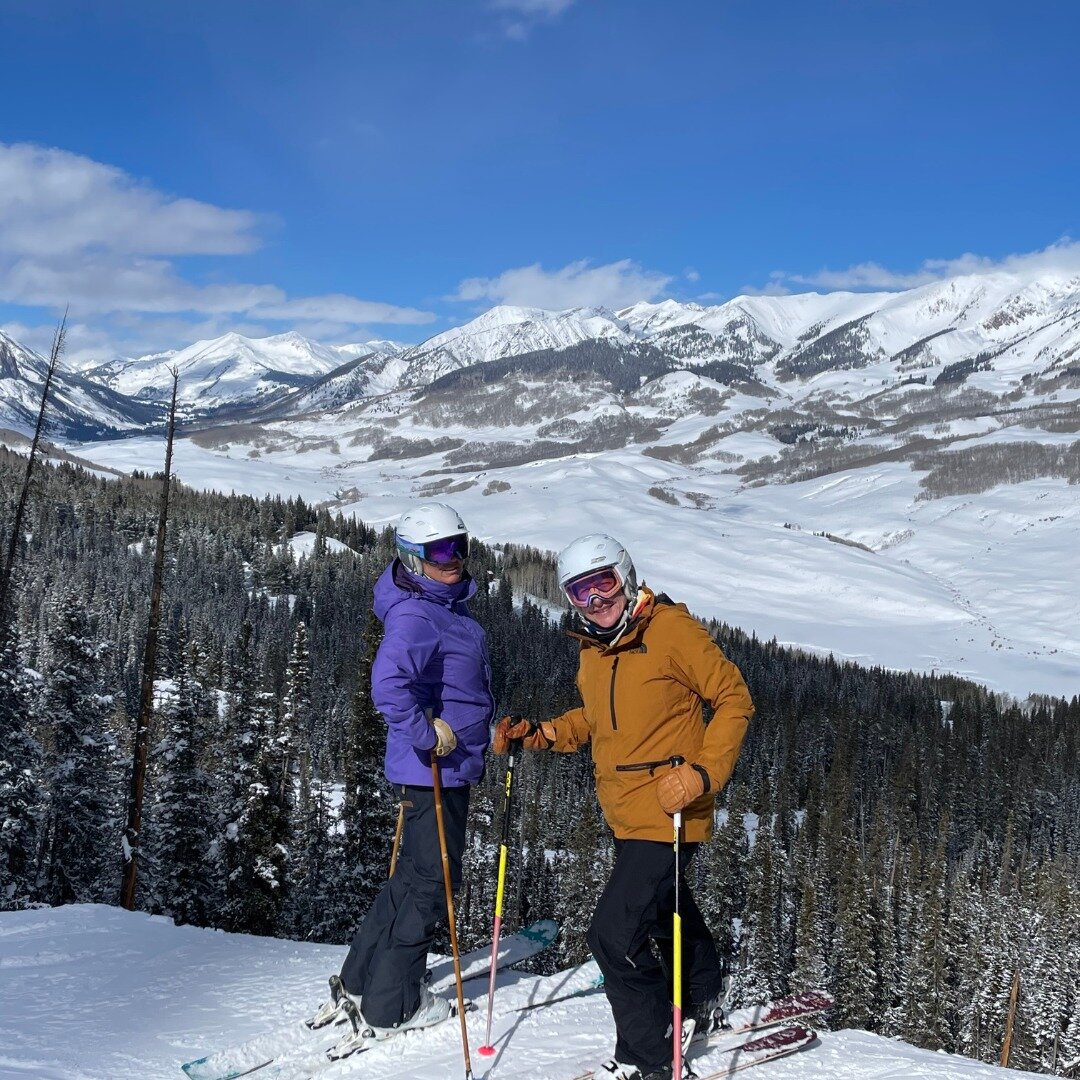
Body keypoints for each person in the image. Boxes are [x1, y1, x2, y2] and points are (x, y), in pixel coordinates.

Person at [494, 534, 754, 1080]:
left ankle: (651, 1057)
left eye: (603, 584)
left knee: (613, 936)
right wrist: (540, 734)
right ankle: (703, 995)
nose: (595, 601)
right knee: (662, 910)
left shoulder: (670, 630)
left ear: (627, 576)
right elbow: (594, 720)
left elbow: (734, 697)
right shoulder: (594, 649)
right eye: (579, 592)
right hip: (624, 811)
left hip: (672, 809)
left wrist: (703, 773)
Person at [321, 501, 493, 1044]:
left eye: (461, 547)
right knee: (432, 884)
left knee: (413, 879)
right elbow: (388, 687)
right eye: (442, 550)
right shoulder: (419, 614)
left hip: (441, 767)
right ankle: (392, 1004)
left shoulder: (436, 605)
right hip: (435, 769)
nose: (455, 560)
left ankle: (359, 980)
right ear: (413, 558)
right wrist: (428, 733)